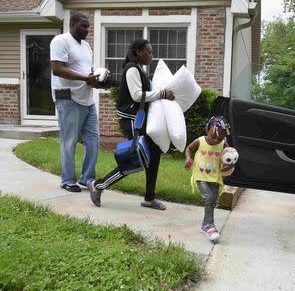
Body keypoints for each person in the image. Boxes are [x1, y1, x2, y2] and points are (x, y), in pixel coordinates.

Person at [87, 38, 175, 210]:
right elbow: (136, 95)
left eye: (152, 52)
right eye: (148, 52)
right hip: (133, 120)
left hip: (140, 119)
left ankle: (149, 198)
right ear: (137, 53)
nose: (151, 55)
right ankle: (98, 186)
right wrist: (163, 93)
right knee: (135, 158)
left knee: (154, 155)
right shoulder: (132, 68)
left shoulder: (139, 70)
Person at [50, 12, 104, 193]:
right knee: (69, 140)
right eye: (84, 26)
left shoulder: (86, 46)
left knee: (94, 140)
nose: (87, 30)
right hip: (69, 99)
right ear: (72, 24)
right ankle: (67, 180)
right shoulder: (60, 41)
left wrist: (95, 81)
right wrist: (85, 78)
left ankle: (87, 178)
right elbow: (57, 69)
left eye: (88, 26)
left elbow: (86, 71)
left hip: (87, 99)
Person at [184, 116, 234, 241]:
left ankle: (204, 225)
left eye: (220, 138)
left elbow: (230, 156)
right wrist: (188, 158)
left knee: (213, 201)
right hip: (201, 175)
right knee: (209, 197)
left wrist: (229, 165)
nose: (216, 140)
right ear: (207, 130)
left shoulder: (223, 144)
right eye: (213, 136)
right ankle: (210, 226)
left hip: (215, 177)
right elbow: (189, 148)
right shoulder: (200, 141)